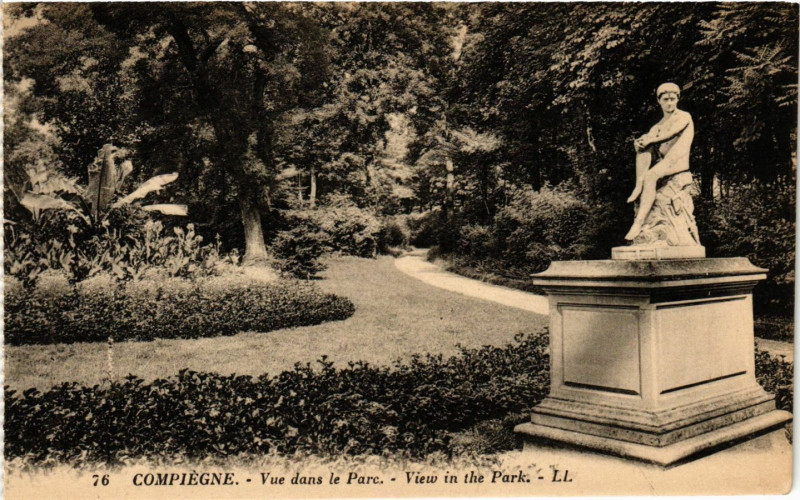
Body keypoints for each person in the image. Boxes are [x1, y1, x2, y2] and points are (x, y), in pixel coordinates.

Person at [625, 82, 694, 241]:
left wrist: (651, 140)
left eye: (673, 99)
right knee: (643, 146)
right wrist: (640, 142)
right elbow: (650, 139)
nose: (670, 103)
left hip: (678, 163)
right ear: (659, 101)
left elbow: (671, 133)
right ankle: (638, 184)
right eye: (666, 99)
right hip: (666, 163)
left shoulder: (684, 116)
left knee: (651, 175)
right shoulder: (658, 126)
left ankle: (638, 222)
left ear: (677, 99)